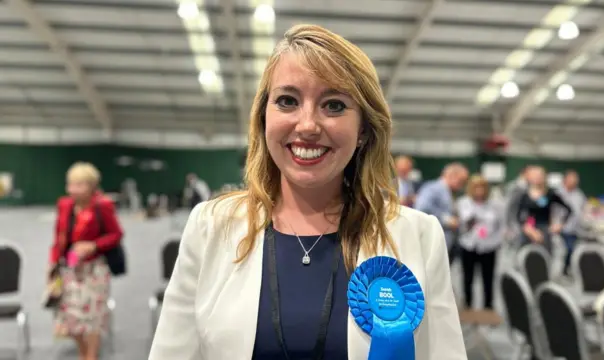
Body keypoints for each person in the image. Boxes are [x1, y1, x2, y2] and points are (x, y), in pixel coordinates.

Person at [149, 24, 466, 360]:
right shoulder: (210, 226)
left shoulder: (417, 235)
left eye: (333, 105)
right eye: (288, 101)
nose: (308, 125)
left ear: (363, 130)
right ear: (263, 118)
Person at [48, 162, 123, 360]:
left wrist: (94, 245)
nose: (74, 189)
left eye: (80, 185)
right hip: (70, 269)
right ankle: (84, 352)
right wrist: (53, 264)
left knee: (93, 319)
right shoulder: (65, 206)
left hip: (95, 270)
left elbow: (116, 234)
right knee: (70, 320)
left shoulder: (103, 206)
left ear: (91, 186)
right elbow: (59, 237)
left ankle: (90, 356)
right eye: (71, 184)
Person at [456, 175, 504, 310]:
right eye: (476, 188)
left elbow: (500, 225)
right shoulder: (463, 202)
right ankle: (468, 305)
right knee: (467, 278)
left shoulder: (495, 205)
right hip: (468, 245)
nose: (479, 191)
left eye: (482, 188)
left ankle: (488, 307)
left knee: (488, 279)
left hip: (489, 247)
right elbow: (463, 222)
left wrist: (498, 241)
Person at [414, 162, 469, 263]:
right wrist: (447, 220)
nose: (462, 185)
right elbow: (421, 209)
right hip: (433, 245)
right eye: (461, 181)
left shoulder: (450, 192)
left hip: (447, 245)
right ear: (451, 175)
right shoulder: (432, 188)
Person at [516, 166, 572, 254]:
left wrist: (560, 225)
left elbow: (568, 209)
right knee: (525, 260)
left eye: (540, 175)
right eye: (535, 175)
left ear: (545, 177)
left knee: (544, 260)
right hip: (529, 232)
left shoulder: (550, 194)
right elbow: (518, 216)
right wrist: (528, 229)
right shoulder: (524, 195)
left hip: (544, 232)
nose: (537, 177)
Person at [556, 170, 586, 276]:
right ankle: (562, 270)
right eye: (571, 180)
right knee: (568, 249)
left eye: (576, 180)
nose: (574, 182)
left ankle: (566, 269)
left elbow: (582, 209)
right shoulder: (557, 193)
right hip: (562, 228)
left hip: (575, 228)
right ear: (565, 180)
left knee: (572, 250)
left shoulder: (579, 195)